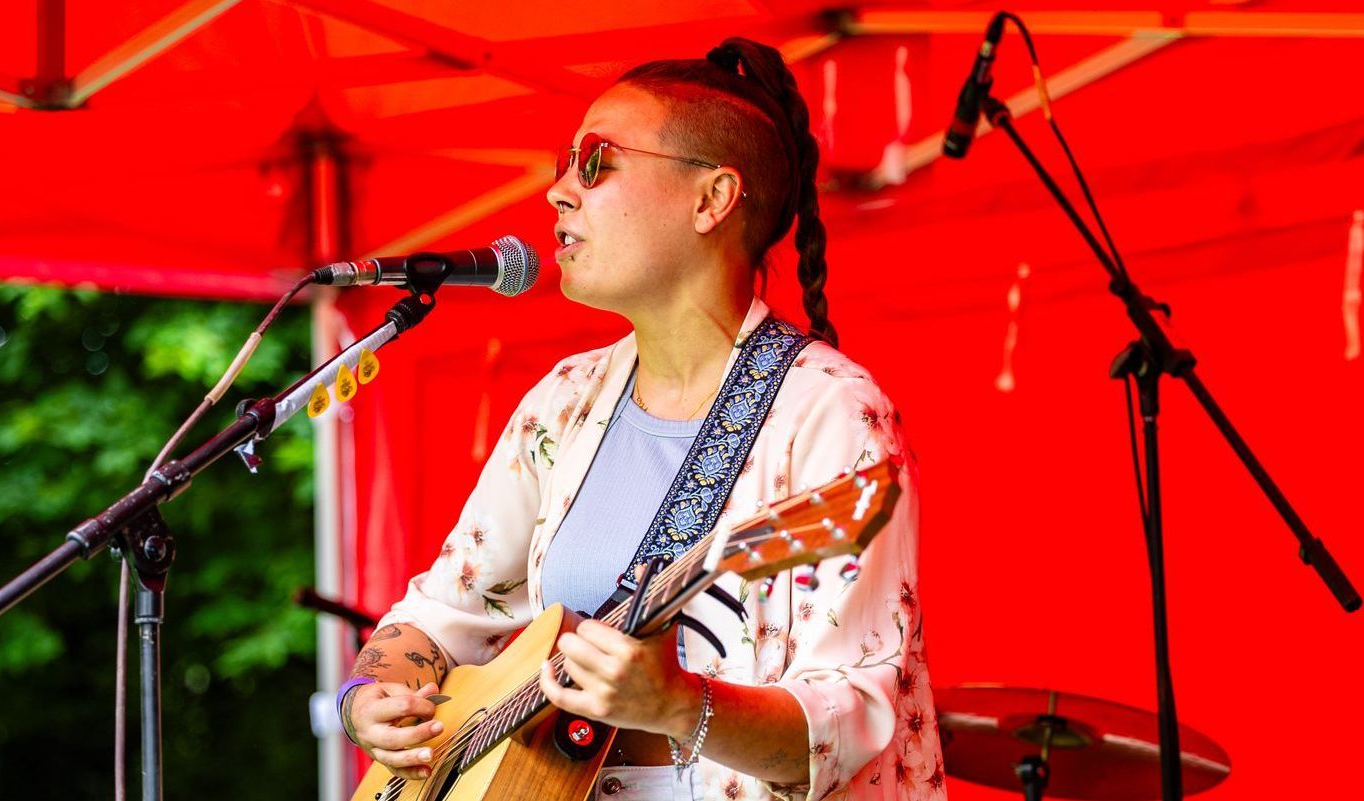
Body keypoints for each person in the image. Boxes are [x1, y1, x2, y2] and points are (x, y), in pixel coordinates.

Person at [340, 37, 940, 801]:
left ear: (711, 200)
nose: (559, 191)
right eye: (565, 164)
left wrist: (678, 703)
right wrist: (363, 699)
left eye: (595, 161)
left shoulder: (832, 416)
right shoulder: (564, 400)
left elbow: (855, 722)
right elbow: (440, 612)